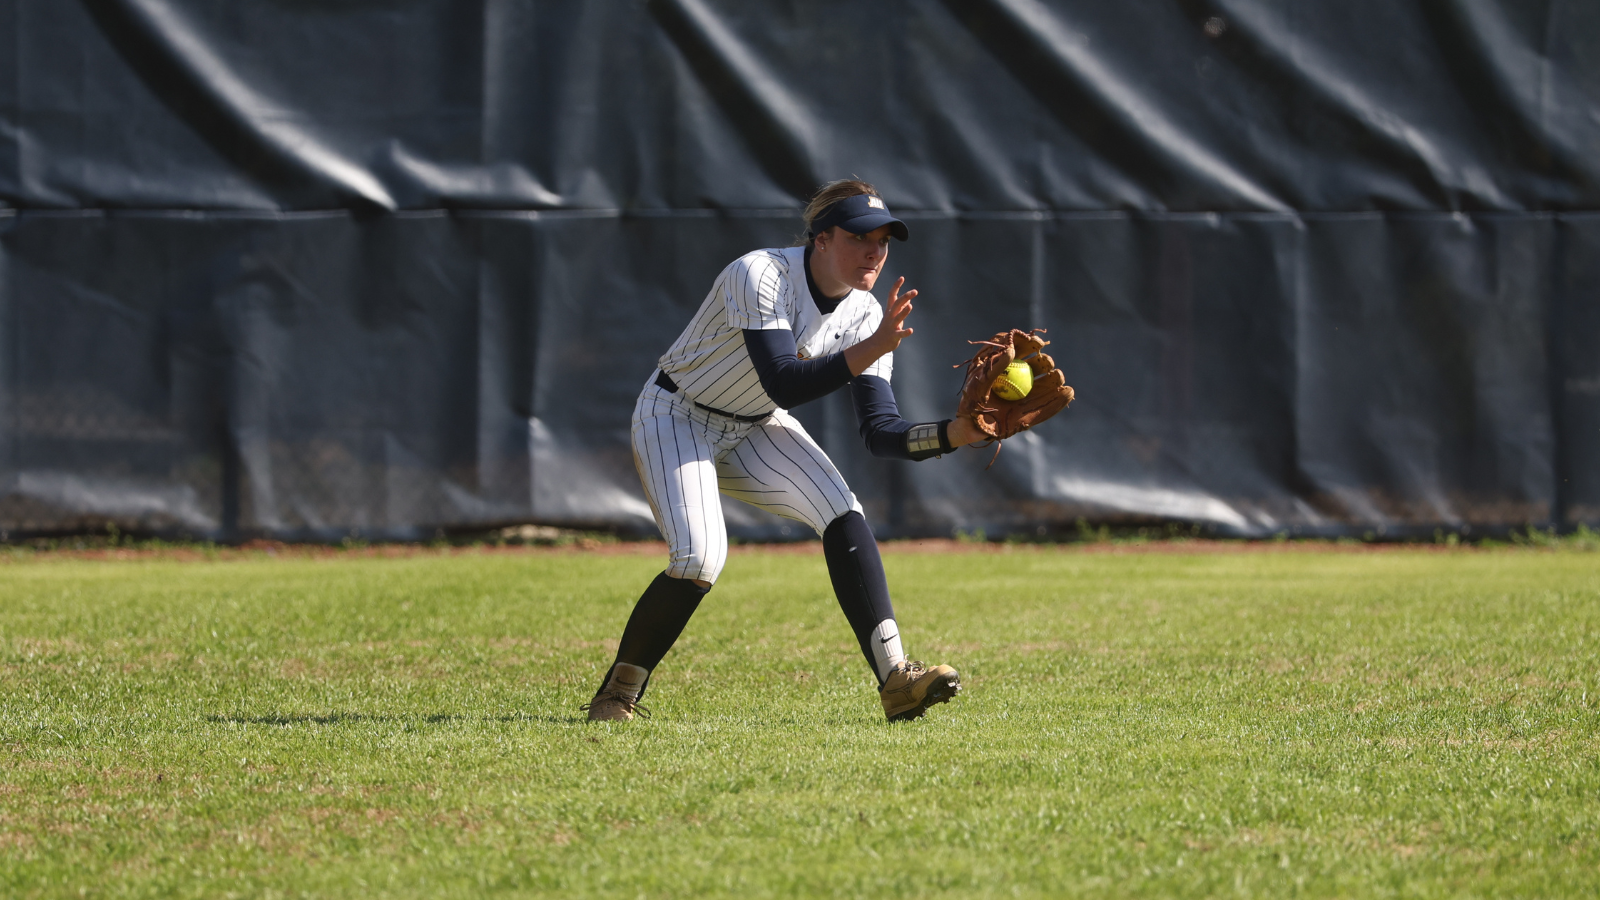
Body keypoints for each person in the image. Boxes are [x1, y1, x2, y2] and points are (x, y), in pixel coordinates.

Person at [584, 179, 988, 724]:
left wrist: (954, 434)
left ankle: (896, 679)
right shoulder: (759, 273)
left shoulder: (868, 314)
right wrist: (875, 347)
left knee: (843, 512)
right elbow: (781, 380)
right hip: (677, 414)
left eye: (883, 240)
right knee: (700, 558)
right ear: (821, 239)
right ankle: (618, 692)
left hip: (756, 424)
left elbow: (881, 432)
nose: (874, 251)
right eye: (859, 236)